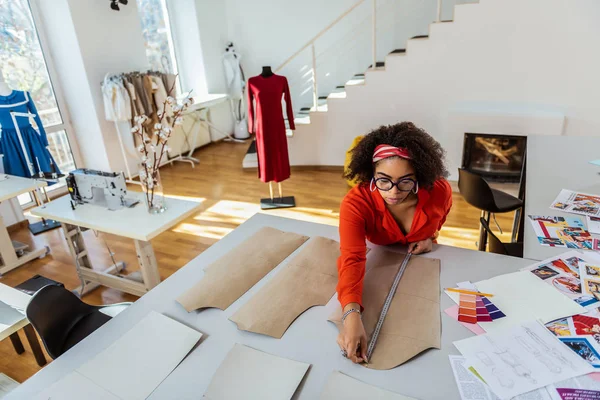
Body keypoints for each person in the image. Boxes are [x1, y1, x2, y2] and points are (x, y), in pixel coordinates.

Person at [336, 122, 452, 363]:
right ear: (371, 175)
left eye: (406, 181)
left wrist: (431, 236)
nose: (394, 192)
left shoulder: (440, 191)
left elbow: (443, 212)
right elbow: (353, 259)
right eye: (383, 180)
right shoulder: (356, 204)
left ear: (419, 175)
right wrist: (351, 313)